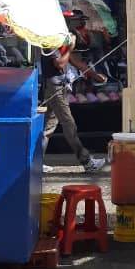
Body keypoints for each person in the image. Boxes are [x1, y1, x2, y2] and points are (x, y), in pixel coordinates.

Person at [38, 12, 107, 173]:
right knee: (69, 125)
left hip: (57, 86)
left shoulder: (59, 37)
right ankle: (87, 162)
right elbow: (60, 64)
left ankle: (36, 163)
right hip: (55, 87)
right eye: (69, 21)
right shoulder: (50, 39)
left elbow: (74, 60)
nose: (72, 24)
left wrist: (94, 75)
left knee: (48, 127)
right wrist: (70, 48)